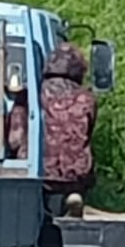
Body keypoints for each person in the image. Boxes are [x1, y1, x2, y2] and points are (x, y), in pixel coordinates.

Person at [40, 42, 97, 213]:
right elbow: (88, 132)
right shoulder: (86, 98)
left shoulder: (34, 94)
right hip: (77, 172)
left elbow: (14, 138)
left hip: (40, 172)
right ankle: (73, 195)